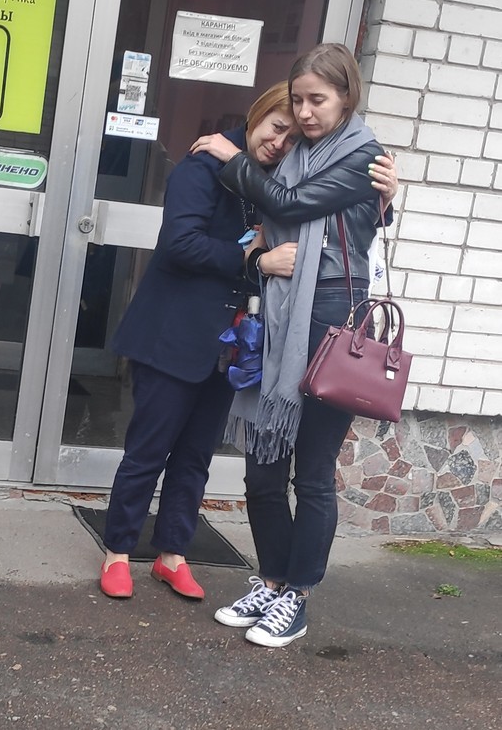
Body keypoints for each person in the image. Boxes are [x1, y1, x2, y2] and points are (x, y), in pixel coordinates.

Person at [100, 76, 396, 600]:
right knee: (148, 451)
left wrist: (383, 200)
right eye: (276, 127)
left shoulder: (277, 183)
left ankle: (172, 554)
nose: (279, 143)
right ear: (257, 115)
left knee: (196, 457)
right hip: (173, 336)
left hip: (235, 345)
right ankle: (118, 552)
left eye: (291, 138)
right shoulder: (203, 167)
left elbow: (334, 219)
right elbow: (179, 245)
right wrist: (254, 259)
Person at [190, 42, 393, 647]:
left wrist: (231, 156)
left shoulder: (363, 156)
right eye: (298, 100)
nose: (304, 113)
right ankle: (273, 580)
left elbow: (288, 204)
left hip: (330, 323)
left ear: (346, 97)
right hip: (279, 316)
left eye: (317, 100)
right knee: (263, 467)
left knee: (313, 475)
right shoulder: (298, 153)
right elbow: (274, 211)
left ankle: (298, 596)